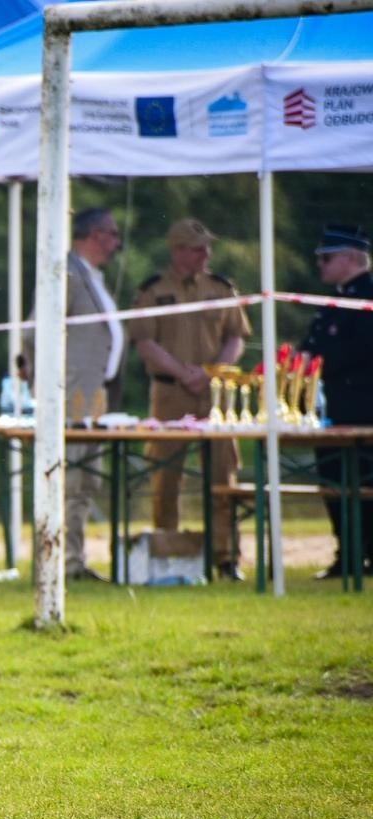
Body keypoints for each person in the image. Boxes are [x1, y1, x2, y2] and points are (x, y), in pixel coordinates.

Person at [130, 217, 252, 581]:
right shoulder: (152, 290)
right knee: (166, 478)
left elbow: (236, 335)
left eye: (207, 248)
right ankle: (169, 553)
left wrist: (213, 370)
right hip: (169, 393)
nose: (205, 254)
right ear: (177, 250)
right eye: (198, 248)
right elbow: (144, 342)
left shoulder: (221, 288)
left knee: (222, 477)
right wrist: (183, 372)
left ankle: (225, 557)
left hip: (214, 394)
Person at [21, 206, 123, 582]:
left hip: (95, 400)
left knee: (84, 484)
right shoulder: (64, 273)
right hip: (69, 399)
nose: (117, 243)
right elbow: (34, 332)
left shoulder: (91, 275)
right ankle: (54, 564)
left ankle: (73, 562)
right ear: (94, 235)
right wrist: (49, 380)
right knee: (65, 483)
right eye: (112, 234)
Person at [300, 223, 373, 580]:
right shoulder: (332, 301)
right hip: (331, 408)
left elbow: (359, 350)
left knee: (365, 482)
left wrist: (319, 362)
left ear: (350, 258)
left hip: (363, 409)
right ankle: (347, 554)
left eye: (327, 258)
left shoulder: (366, 296)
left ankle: (368, 553)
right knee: (333, 481)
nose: (321, 266)